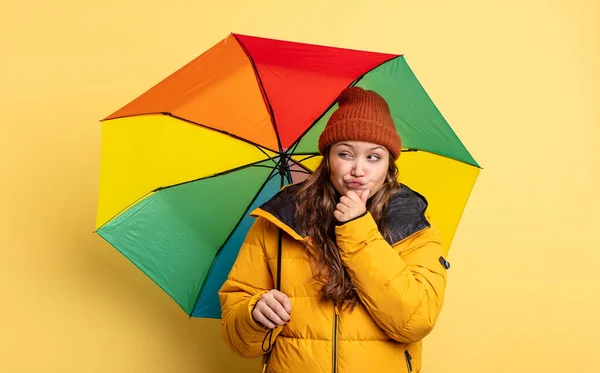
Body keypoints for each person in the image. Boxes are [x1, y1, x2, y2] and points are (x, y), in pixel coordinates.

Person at [219, 87, 449, 373]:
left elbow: (415, 321)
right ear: (327, 158)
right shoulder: (279, 221)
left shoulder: (414, 226)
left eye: (374, 157)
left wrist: (356, 228)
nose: (358, 170)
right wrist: (254, 314)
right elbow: (239, 342)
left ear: (389, 164)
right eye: (345, 153)